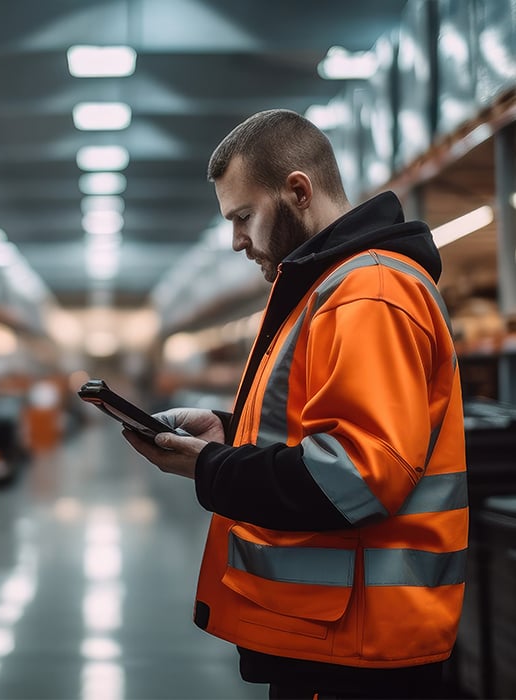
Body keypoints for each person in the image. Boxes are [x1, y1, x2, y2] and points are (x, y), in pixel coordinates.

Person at [123, 109, 468, 699]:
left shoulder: (369, 293)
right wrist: (227, 433)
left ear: (299, 191)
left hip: (358, 646)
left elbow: (358, 475)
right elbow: (322, 432)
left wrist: (209, 468)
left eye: (243, 217)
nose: (236, 241)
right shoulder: (328, 290)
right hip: (333, 634)